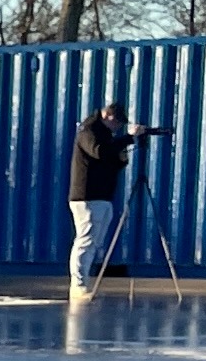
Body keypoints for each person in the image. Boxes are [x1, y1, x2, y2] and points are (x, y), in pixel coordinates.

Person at [68, 100, 163, 294]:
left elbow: (110, 160)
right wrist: (128, 138)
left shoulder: (105, 133)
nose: (118, 128)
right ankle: (78, 285)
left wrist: (121, 157)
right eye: (117, 123)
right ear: (108, 116)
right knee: (85, 240)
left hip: (103, 195)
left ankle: (85, 280)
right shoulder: (88, 130)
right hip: (87, 195)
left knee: (95, 241)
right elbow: (99, 152)